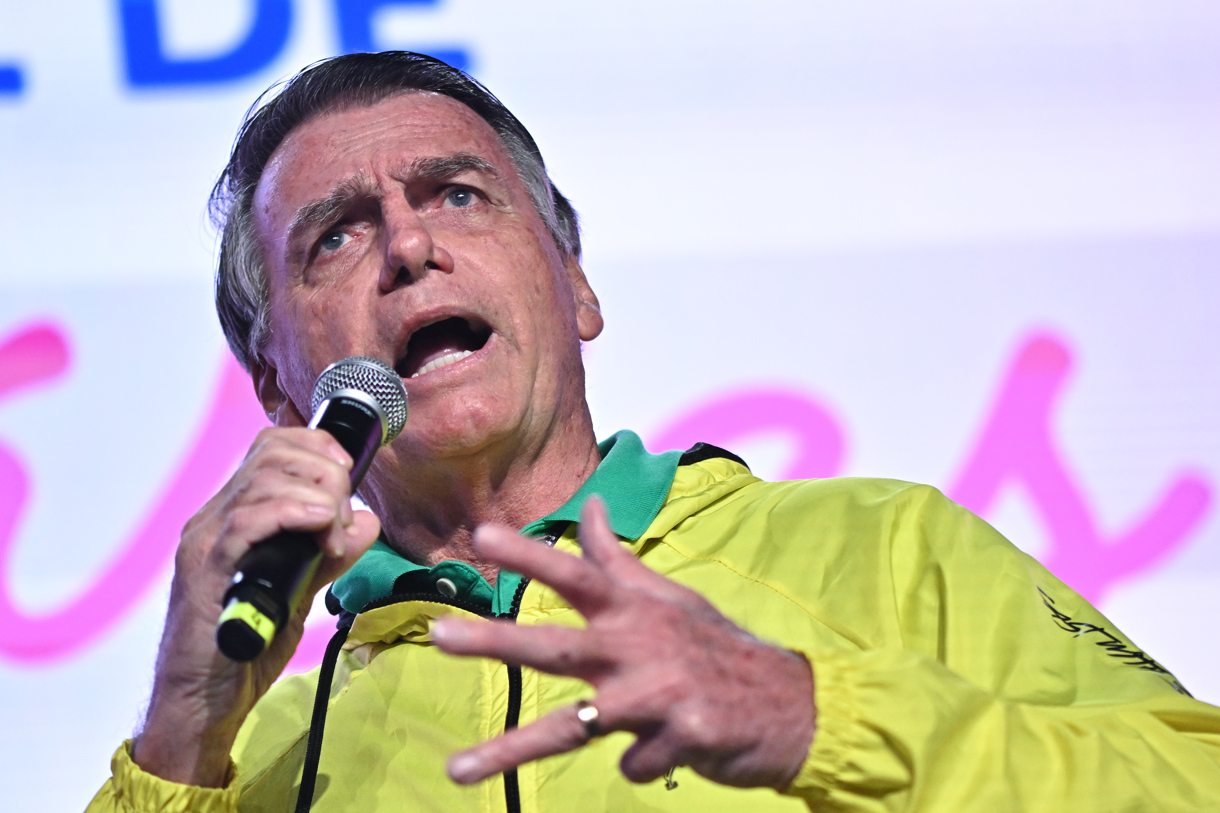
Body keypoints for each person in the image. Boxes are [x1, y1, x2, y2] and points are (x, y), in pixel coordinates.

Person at [87, 52, 1220, 813]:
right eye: (334, 235)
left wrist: (814, 717)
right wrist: (181, 736)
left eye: (457, 195)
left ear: (573, 286)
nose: (408, 248)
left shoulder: (880, 550)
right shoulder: (259, 757)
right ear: (281, 390)